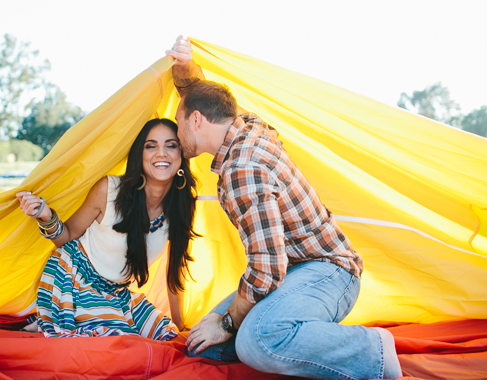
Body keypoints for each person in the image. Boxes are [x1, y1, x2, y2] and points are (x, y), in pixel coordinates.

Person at [165, 36, 402, 379]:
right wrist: (185, 71)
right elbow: (204, 96)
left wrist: (228, 322)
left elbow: (266, 269)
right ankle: (289, 329)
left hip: (330, 272)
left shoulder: (241, 170)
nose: (177, 129)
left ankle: (372, 350)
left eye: (179, 119)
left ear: (197, 120)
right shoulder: (250, 126)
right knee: (207, 344)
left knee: (256, 340)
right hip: (294, 274)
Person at [16, 118, 198, 340]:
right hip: (73, 280)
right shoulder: (109, 189)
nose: (162, 153)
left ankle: (47, 321)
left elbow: (174, 271)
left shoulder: (183, 205)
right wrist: (45, 215)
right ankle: (53, 317)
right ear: (139, 154)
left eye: (171, 145)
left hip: (117, 294)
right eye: (151, 146)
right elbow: (69, 236)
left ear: (181, 153)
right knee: (117, 341)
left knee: (166, 335)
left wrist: (179, 328)